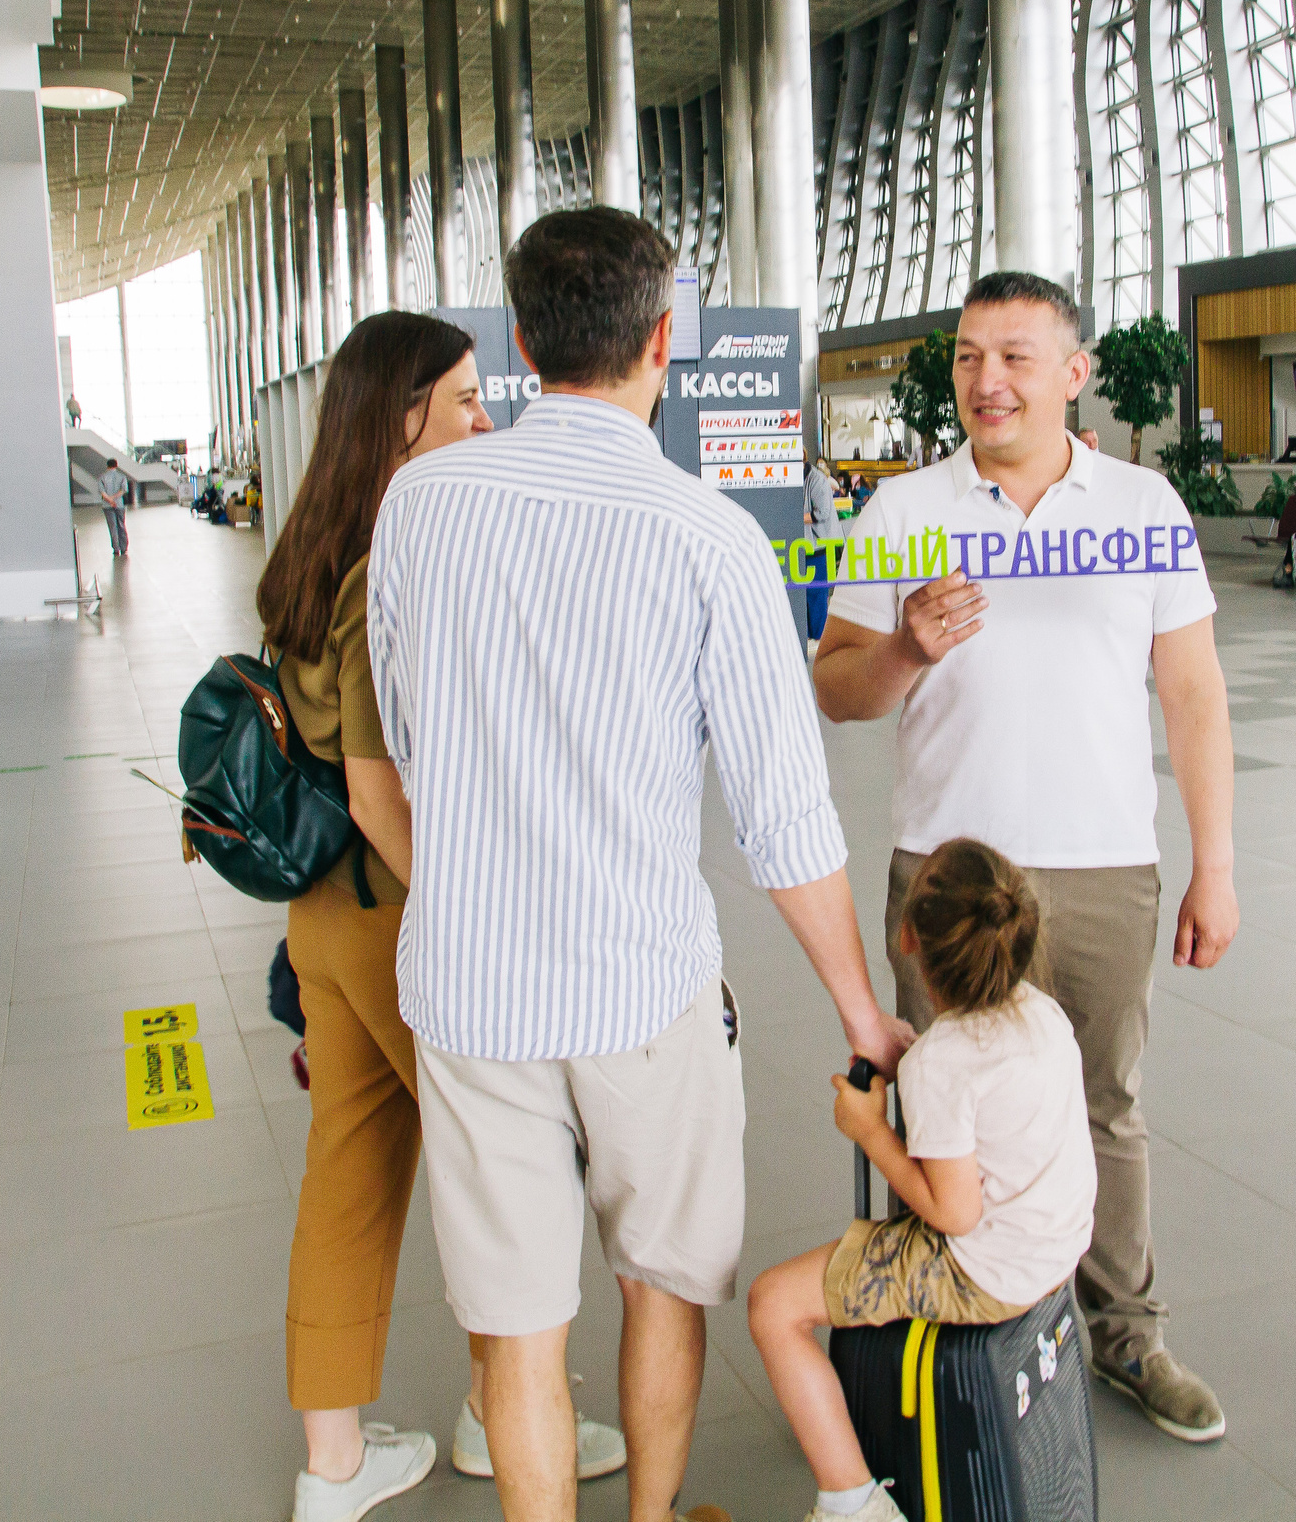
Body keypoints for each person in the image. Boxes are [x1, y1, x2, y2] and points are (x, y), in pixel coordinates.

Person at [367, 207, 911, 1522]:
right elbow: (785, 815)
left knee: (515, 1330)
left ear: (519, 340)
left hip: (471, 983)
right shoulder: (710, 534)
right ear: (663, 338)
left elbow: (402, 724)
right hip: (645, 989)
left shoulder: (420, 502)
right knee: (661, 1282)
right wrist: (860, 1011)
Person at [815, 270, 1238, 1445]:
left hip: (1102, 868)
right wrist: (903, 647)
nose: (985, 381)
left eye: (1012, 357)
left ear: (1072, 373)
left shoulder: (1143, 503)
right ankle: (948, 1336)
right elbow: (837, 689)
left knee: (1105, 1104)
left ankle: (1124, 1332)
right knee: (934, 1104)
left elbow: (1193, 693)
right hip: (947, 876)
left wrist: (1216, 863)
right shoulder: (902, 509)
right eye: (966, 357)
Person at [258, 313, 622, 1522]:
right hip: (404, 920)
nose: (486, 419)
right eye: (463, 400)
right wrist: (477, 910)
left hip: (322, 921)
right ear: (400, 412)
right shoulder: (383, 562)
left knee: (347, 1178)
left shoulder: (307, 549)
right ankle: (499, 1418)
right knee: (503, 1177)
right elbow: (377, 789)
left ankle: (334, 1466)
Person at [746, 839, 1097, 1522]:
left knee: (773, 1306)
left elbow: (954, 1212)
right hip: (1054, 1250)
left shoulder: (942, 1063)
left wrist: (868, 1127)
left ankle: (852, 1502)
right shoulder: (1042, 1015)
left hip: (984, 1270)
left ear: (908, 939)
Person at [804, 459, 844, 645]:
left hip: (820, 543)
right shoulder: (803, 478)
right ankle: (813, 636)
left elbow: (823, 512)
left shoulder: (816, 480)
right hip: (805, 543)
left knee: (817, 593)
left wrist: (793, 517)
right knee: (809, 593)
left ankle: (819, 638)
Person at [97, 456, 133, 557]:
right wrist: (114, 498)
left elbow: (102, 492)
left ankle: (116, 548)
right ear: (116, 466)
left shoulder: (102, 477)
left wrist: (109, 500)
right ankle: (124, 547)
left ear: (107, 466)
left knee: (112, 526)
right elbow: (123, 490)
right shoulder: (122, 477)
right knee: (121, 524)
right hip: (119, 504)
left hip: (107, 505)